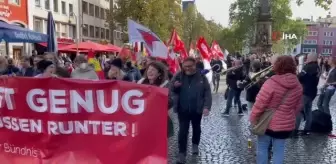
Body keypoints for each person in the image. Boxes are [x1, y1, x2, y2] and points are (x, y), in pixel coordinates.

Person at [250, 55, 302, 164]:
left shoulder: (271, 82)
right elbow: (297, 107)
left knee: (263, 148)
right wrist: (288, 115)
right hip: (285, 124)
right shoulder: (298, 85)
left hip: (267, 122)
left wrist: (253, 119)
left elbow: (260, 104)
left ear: (278, 66)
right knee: (279, 150)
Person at [170, 57, 212, 164]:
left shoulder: (202, 77)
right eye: (185, 66)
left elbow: (207, 93)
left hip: (197, 109)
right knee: (183, 131)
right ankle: (182, 153)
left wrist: (206, 107)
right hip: (182, 109)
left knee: (196, 128)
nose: (188, 68)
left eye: (190, 66)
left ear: (195, 65)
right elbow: (170, 89)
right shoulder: (178, 76)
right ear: (183, 66)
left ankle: (195, 144)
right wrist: (175, 87)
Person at [137, 61, 174, 138]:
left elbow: (171, 101)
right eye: (149, 69)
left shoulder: (165, 85)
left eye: (153, 70)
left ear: (159, 73)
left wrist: (158, 99)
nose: (150, 71)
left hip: (158, 120)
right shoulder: (140, 82)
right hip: (143, 119)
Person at [294, 53, 320, 136]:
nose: (306, 59)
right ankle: (307, 129)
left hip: (305, 92)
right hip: (312, 92)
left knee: (298, 110)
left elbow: (300, 77)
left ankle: (295, 130)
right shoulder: (317, 67)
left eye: (307, 58)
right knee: (308, 111)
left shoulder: (308, 67)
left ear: (311, 58)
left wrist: (298, 72)